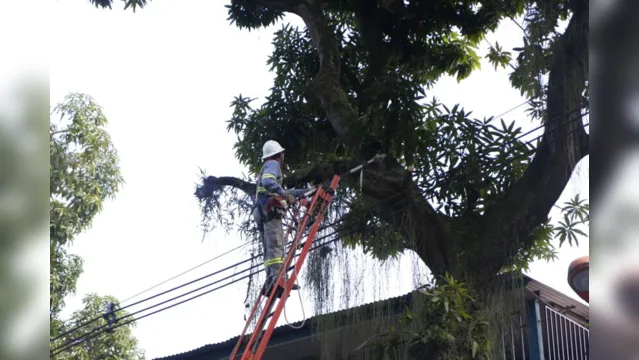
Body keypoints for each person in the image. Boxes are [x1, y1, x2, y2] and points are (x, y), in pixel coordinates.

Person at [253, 140, 308, 297]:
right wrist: (284, 195)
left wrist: (304, 192)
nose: (284, 156)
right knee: (276, 245)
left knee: (269, 248)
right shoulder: (273, 165)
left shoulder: (266, 167)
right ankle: (277, 279)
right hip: (269, 210)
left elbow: (280, 190)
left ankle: (271, 279)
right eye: (282, 153)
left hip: (261, 211)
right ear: (278, 154)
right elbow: (269, 182)